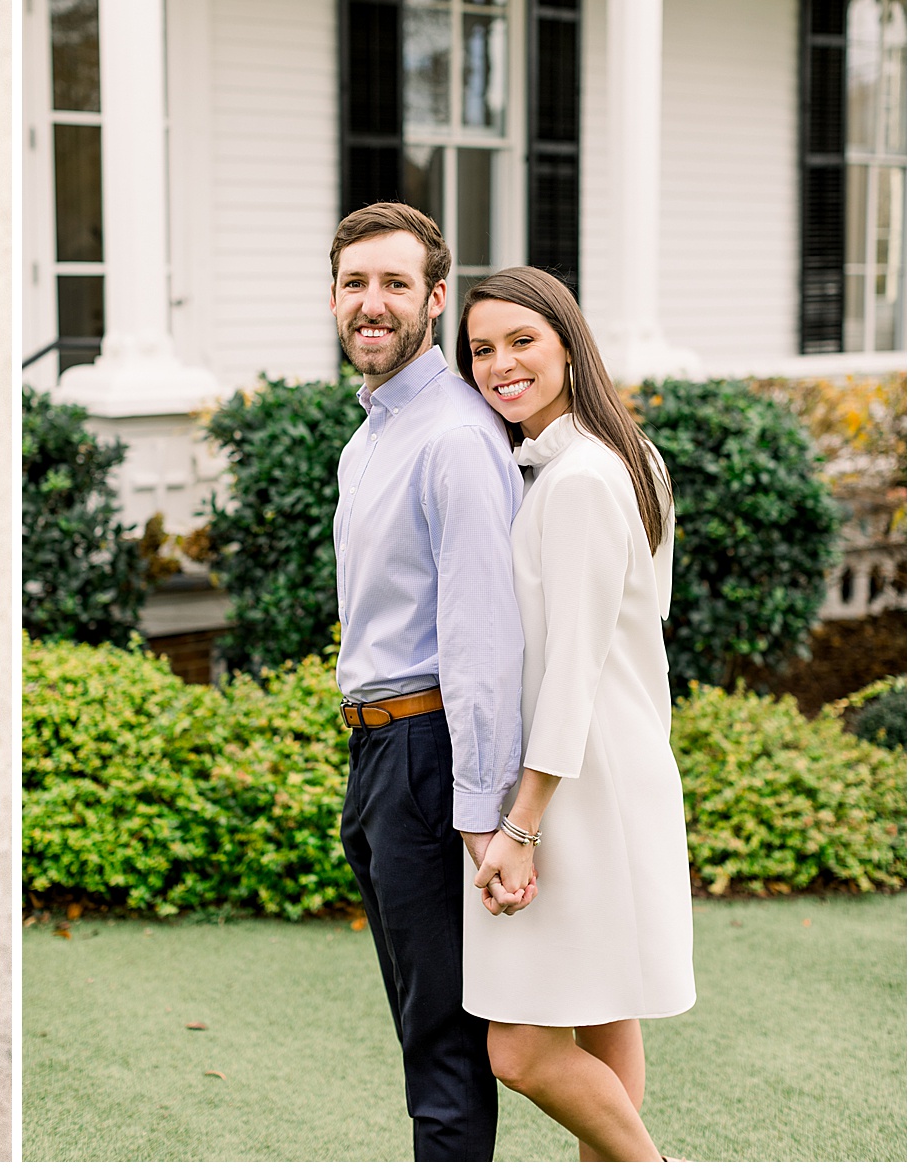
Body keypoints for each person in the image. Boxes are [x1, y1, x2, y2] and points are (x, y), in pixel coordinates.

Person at [455, 266, 696, 1163]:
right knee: (605, 1021)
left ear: (567, 341)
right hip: (601, 774)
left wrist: (521, 822)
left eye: (522, 340)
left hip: (579, 792)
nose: (500, 364)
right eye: (482, 348)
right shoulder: (596, 460)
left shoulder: (584, 479)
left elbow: (574, 672)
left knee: (519, 1049)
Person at [328, 202, 528, 1161]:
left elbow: (484, 637)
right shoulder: (368, 440)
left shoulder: (452, 436)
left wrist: (482, 809)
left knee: (445, 1047)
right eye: (355, 283)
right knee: (423, 1032)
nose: (372, 304)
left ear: (436, 300)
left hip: (427, 752)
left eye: (394, 284)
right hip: (377, 751)